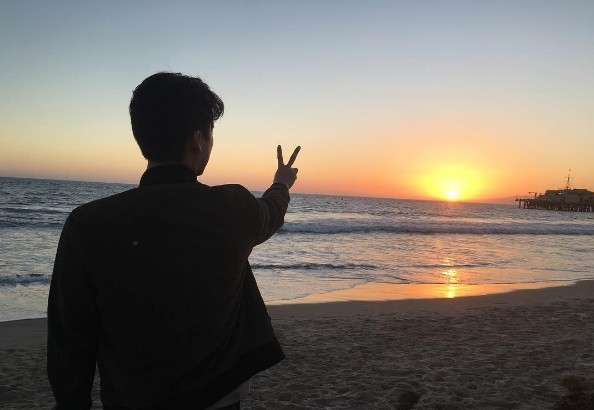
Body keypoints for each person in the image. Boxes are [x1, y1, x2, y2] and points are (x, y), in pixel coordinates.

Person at [47, 72, 300, 409]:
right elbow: (271, 211)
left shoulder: (87, 224)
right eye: (210, 134)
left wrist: (71, 403)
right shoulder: (232, 208)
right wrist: (281, 182)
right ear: (198, 140)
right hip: (218, 397)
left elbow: (70, 336)